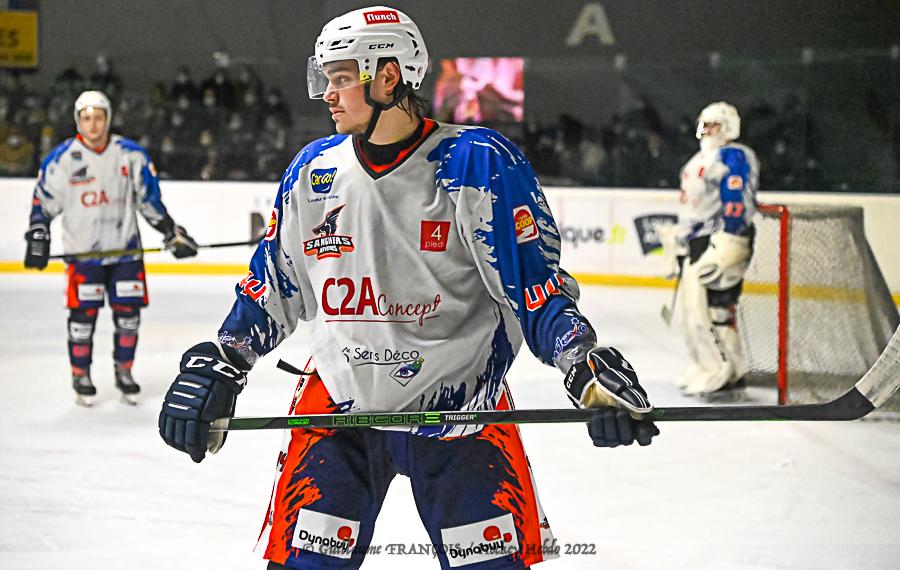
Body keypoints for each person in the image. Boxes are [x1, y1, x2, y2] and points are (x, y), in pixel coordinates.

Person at [158, 7, 659, 569]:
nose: (327, 93)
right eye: (324, 78)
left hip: (461, 412)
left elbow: (533, 289)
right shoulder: (312, 170)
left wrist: (582, 363)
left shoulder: (475, 163)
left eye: (341, 77)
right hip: (341, 408)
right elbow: (273, 286)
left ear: (388, 76)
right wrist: (224, 361)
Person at [24, 90, 199, 406]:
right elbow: (43, 202)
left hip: (125, 253)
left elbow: (148, 201)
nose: (93, 124)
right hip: (83, 256)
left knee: (128, 317)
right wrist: (38, 232)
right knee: (82, 319)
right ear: (78, 120)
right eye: (86, 117)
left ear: (108, 118)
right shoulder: (61, 159)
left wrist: (171, 232)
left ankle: (124, 371)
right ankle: (81, 374)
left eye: (98, 116)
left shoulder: (130, 154)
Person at [660, 101, 759, 396]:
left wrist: (733, 237)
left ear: (729, 127)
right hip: (698, 240)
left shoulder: (733, 155)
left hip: (718, 239)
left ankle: (725, 368)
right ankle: (705, 363)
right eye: (705, 124)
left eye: (714, 125)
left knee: (714, 311)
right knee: (692, 310)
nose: (707, 130)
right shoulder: (699, 158)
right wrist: (680, 238)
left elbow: (736, 199)